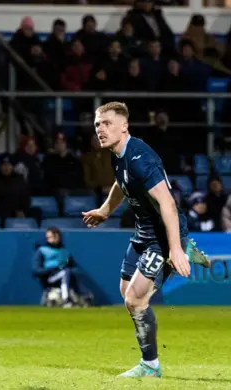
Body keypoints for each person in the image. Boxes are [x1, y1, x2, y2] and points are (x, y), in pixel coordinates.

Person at [82, 102, 210, 378]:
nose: (100, 130)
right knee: (126, 292)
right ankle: (184, 248)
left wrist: (173, 249)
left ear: (124, 126)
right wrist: (105, 210)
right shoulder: (119, 154)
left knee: (135, 300)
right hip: (143, 232)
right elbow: (121, 183)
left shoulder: (142, 159)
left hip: (161, 237)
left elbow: (167, 202)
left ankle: (150, 365)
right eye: (96, 125)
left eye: (106, 123)